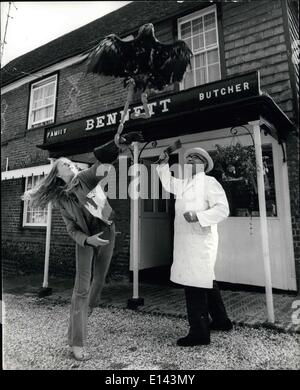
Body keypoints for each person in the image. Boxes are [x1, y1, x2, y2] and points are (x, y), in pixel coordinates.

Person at [22, 134, 137, 360]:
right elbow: (72, 229)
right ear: (58, 174)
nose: (71, 164)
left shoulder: (84, 178)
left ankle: (80, 320)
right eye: (66, 164)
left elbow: (100, 164)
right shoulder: (61, 200)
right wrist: (87, 240)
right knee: (81, 288)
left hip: (106, 230)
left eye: (71, 162)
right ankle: (77, 341)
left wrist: (116, 143)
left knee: (100, 281)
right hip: (85, 238)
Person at [156, 146, 233, 347]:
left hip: (201, 241)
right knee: (206, 278)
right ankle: (222, 321)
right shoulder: (185, 184)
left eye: (195, 158)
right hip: (186, 241)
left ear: (204, 164)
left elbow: (223, 210)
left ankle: (199, 332)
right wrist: (163, 164)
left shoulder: (209, 182)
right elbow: (168, 183)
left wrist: (199, 216)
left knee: (195, 282)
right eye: (188, 158)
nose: (189, 160)